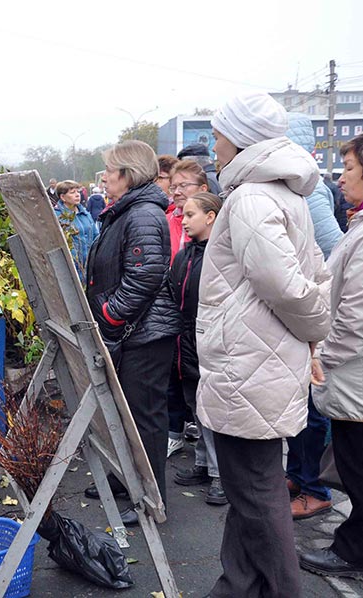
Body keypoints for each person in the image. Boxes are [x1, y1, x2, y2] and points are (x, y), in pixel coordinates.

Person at [197, 92, 331, 598]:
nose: (215, 146)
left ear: (242, 137)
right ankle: (238, 585)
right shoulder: (280, 194)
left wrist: (313, 332)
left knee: (256, 490)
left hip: (248, 367)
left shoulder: (252, 197)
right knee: (251, 488)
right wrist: (310, 337)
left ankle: (279, 590)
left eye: (218, 135)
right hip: (259, 364)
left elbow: (289, 286)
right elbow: (315, 274)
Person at [83, 140, 180, 526]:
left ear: (127, 174)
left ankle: (152, 498)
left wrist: (109, 316)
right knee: (128, 415)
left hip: (145, 335)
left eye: (109, 171)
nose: (104, 178)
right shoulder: (127, 211)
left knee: (146, 418)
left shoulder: (140, 214)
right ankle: (128, 480)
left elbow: (144, 277)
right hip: (133, 332)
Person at [301, 132, 363, 580]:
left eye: (349, 170)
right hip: (354, 378)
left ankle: (353, 552)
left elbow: (356, 315)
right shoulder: (359, 227)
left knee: (359, 471)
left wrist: (324, 354)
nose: (340, 179)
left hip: (356, 380)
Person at [284, 112, 343, 520]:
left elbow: (335, 255)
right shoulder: (301, 188)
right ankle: (297, 475)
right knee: (302, 409)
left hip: (318, 315)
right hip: (310, 311)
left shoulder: (313, 192)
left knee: (313, 410)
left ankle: (315, 488)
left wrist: (311, 300)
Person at [169, 192, 226, 506]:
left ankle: (221, 476)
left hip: (208, 344)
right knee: (196, 409)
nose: (184, 220)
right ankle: (204, 465)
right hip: (186, 346)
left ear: (211, 216)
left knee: (212, 414)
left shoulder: (221, 255)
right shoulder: (186, 254)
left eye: (190, 214)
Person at [165, 160, 209, 459]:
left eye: (184, 185)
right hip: (177, 318)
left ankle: (216, 467)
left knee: (205, 399)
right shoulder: (169, 219)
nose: (176, 191)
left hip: (201, 325)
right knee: (182, 387)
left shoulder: (213, 241)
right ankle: (183, 438)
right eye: (174, 185)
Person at [54, 180, 98, 283]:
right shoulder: (56, 216)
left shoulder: (85, 213)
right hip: (70, 270)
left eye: (78, 192)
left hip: (90, 267)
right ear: (63, 197)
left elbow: (96, 237)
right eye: (72, 192)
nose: (77, 195)